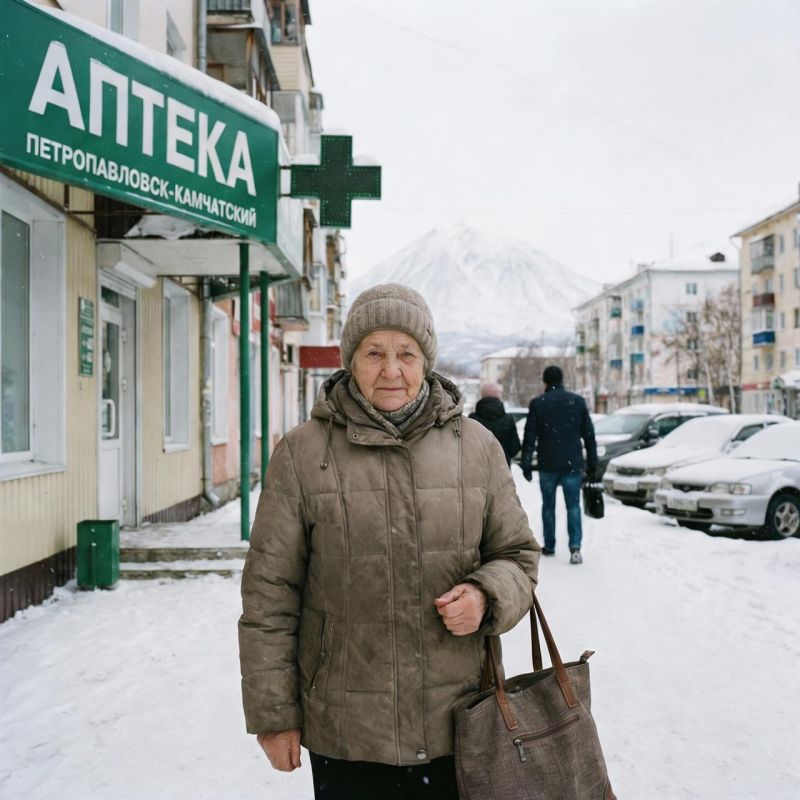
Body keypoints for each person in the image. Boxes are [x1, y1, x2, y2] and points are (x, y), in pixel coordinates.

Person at [239, 283, 540, 800]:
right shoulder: (302, 454)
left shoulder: (477, 448)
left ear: (427, 361)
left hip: (459, 723)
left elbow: (517, 555)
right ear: (351, 360)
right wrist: (274, 716)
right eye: (374, 353)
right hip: (345, 732)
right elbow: (270, 595)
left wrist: (486, 595)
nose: (392, 370)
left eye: (407, 354)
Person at [520, 365, 598, 565]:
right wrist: (593, 463)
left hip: (548, 463)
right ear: (562, 380)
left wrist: (526, 463)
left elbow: (530, 436)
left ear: (545, 382)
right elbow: (589, 435)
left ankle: (550, 544)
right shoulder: (577, 401)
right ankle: (575, 547)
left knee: (548, 506)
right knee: (573, 506)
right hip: (572, 463)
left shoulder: (538, 403)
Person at [468, 382, 521, 466]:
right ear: (498, 396)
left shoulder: (472, 418)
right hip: (502, 466)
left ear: (482, 395)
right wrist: (504, 454)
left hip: (478, 466)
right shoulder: (508, 419)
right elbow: (515, 447)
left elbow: (467, 446)